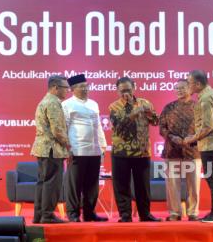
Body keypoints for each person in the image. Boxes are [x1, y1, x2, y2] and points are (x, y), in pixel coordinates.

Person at [109, 77, 162, 222]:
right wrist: (133, 112)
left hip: (142, 151)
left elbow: (157, 122)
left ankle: (145, 214)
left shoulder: (145, 103)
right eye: (122, 90)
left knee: (143, 186)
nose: (125, 93)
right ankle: (125, 215)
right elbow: (118, 128)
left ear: (134, 88)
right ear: (117, 91)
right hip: (121, 152)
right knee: (122, 185)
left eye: (128, 89)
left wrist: (151, 114)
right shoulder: (114, 107)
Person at [184, 70, 213, 223]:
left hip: (211, 145)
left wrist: (192, 138)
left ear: (197, 84)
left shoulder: (205, 99)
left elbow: (207, 127)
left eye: (189, 82)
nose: (187, 86)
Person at [62, 74, 108, 222]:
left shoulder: (94, 104)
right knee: (74, 185)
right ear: (73, 89)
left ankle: (89, 213)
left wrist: (103, 144)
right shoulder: (67, 105)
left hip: (94, 150)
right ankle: (73, 214)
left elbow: (98, 125)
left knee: (92, 185)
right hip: (77, 149)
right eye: (81, 87)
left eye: (86, 86)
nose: (85, 89)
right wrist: (67, 148)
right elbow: (64, 127)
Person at [159, 79, 202, 221]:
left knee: (194, 184)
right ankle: (174, 212)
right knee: (172, 184)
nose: (179, 91)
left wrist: (192, 138)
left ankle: (193, 212)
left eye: (182, 88)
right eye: (177, 88)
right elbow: (162, 128)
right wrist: (171, 137)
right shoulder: (168, 107)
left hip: (193, 150)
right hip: (172, 150)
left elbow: (204, 127)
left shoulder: (199, 107)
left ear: (190, 89)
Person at [31, 75, 71, 224]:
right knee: (52, 183)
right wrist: (69, 145)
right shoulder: (54, 103)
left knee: (43, 182)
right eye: (65, 88)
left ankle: (39, 215)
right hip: (52, 149)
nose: (67, 91)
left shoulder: (44, 100)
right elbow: (57, 130)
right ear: (55, 88)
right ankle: (47, 215)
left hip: (42, 149)